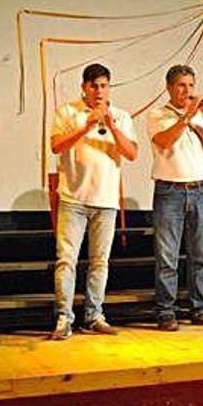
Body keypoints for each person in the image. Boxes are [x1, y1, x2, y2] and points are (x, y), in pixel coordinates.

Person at [48, 64, 138, 340]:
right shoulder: (67, 112)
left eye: (104, 86)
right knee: (67, 260)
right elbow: (56, 146)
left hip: (106, 199)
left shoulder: (120, 117)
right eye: (94, 86)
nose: (99, 91)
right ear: (84, 87)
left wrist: (110, 124)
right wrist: (85, 126)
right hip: (73, 198)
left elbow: (132, 153)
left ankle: (94, 315)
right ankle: (64, 318)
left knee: (100, 261)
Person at [148, 65, 203, 331]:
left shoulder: (202, 116)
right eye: (181, 85)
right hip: (170, 191)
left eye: (191, 85)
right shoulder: (158, 114)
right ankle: (165, 311)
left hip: (200, 190)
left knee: (200, 255)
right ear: (169, 87)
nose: (188, 91)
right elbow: (165, 141)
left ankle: (201, 309)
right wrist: (187, 116)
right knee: (167, 257)